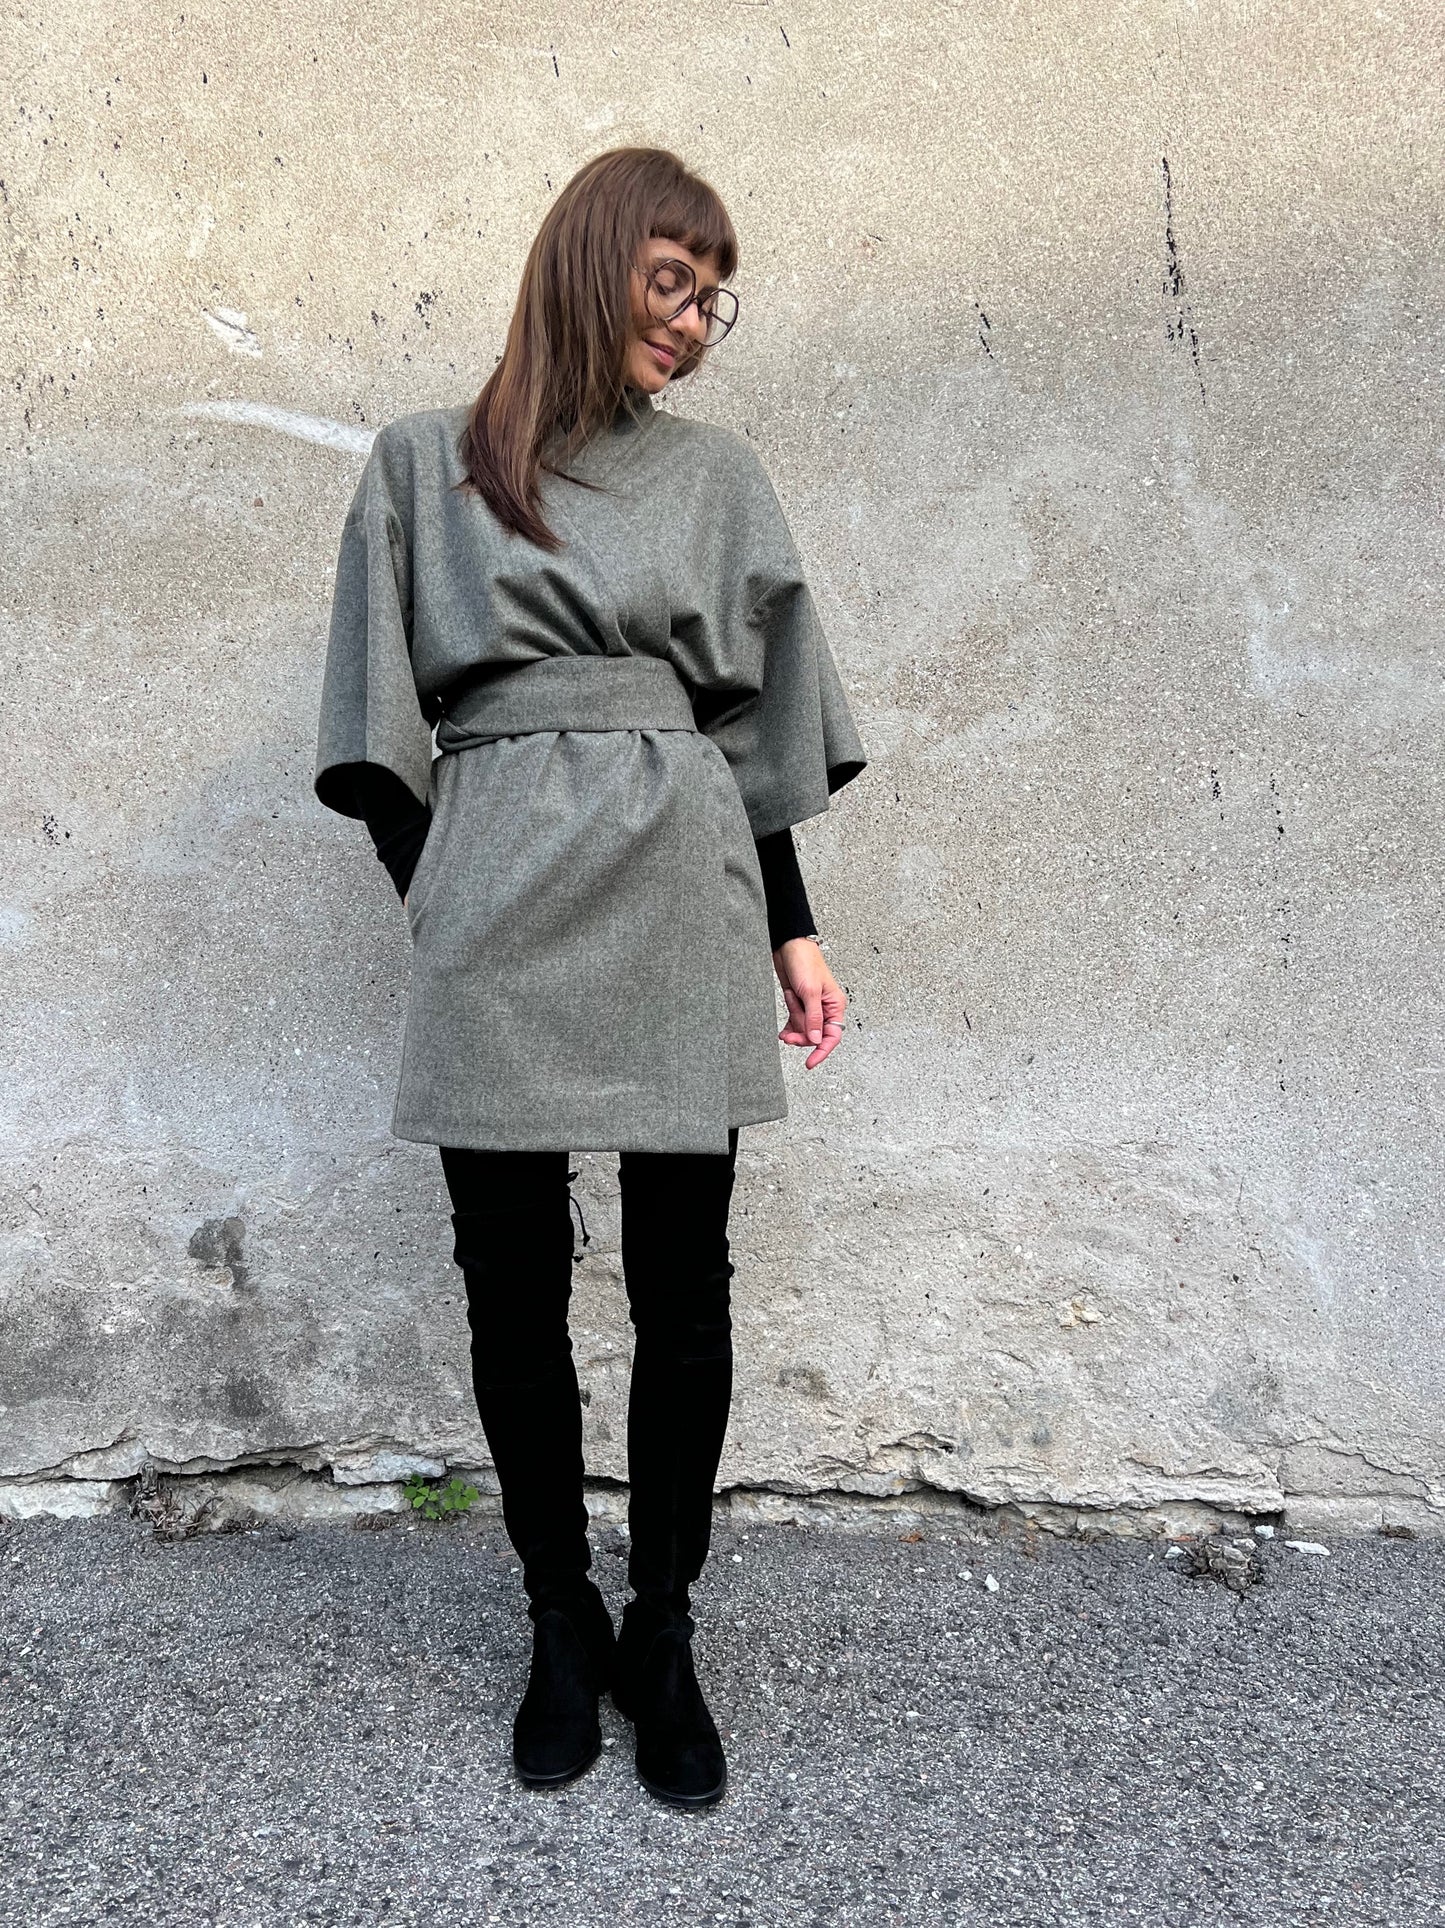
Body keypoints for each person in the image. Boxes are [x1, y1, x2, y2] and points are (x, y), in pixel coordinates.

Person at [313, 146, 867, 1809]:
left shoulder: (718, 477)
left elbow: (752, 735)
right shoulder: (423, 463)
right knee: (510, 1279)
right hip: (495, 889)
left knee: (685, 1278)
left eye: (714, 298)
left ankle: (663, 1627)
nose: (695, 321)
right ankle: (558, 1619)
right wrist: (440, 895)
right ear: (593, 258)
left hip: (682, 876)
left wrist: (791, 930)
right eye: (671, 280)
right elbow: (372, 728)